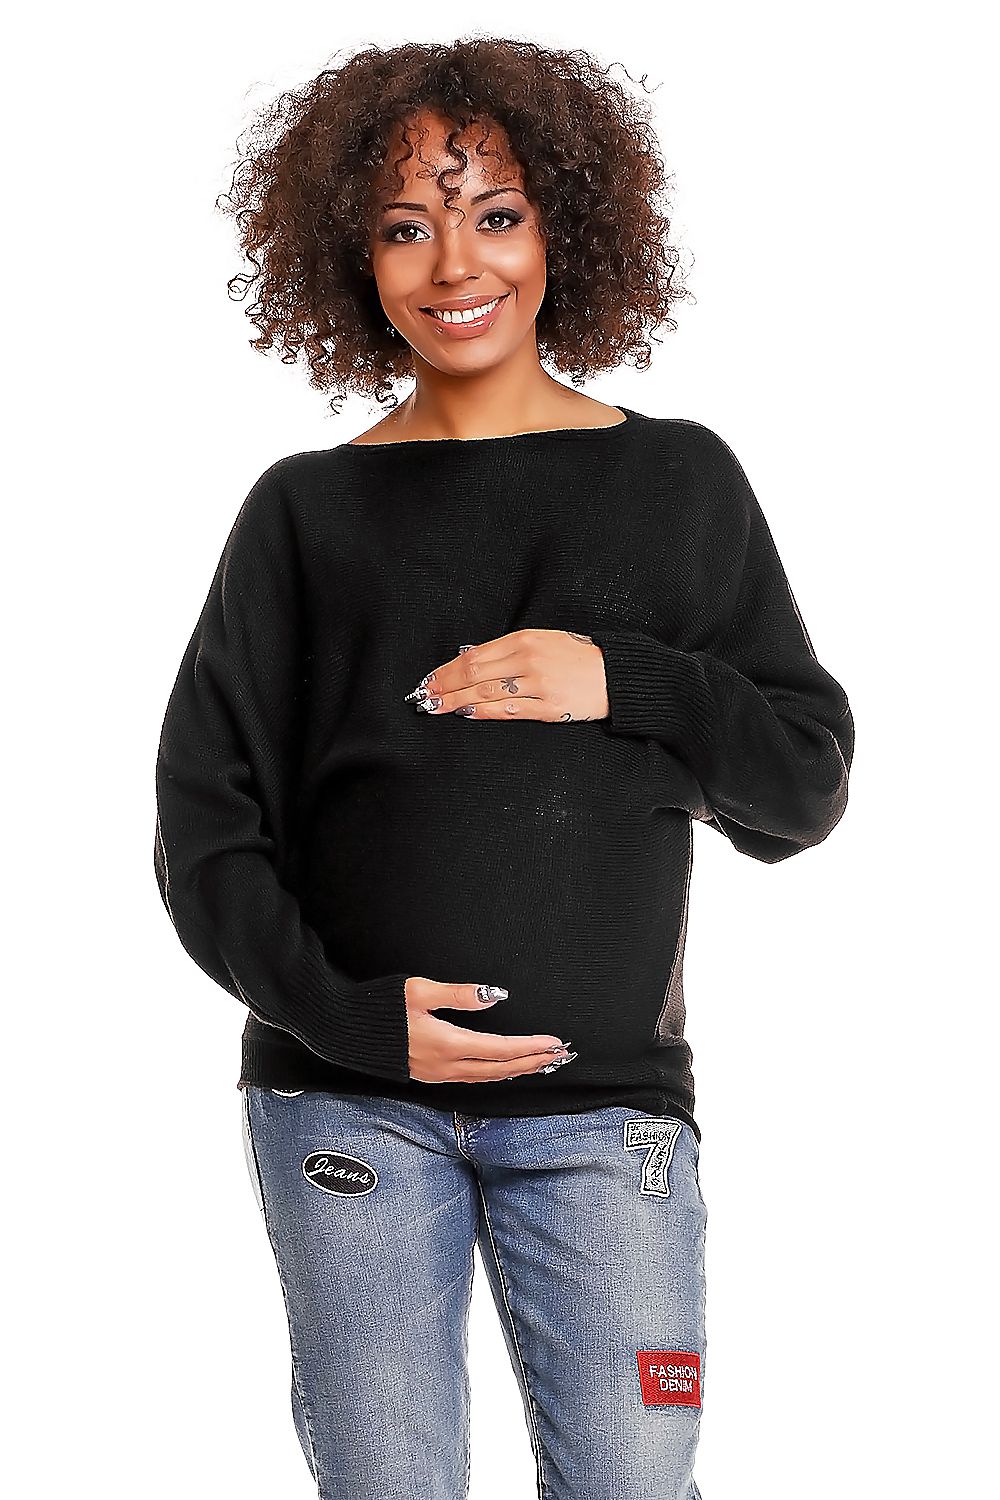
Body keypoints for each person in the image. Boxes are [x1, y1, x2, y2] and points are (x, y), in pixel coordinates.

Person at [153, 37, 854, 1500]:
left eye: (495, 211)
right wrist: (348, 1019)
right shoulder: (304, 513)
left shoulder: (682, 483)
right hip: (343, 1106)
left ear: (564, 232)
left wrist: (631, 680)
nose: (450, 261)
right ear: (351, 256)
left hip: (609, 1118)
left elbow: (802, 786)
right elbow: (203, 829)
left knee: (631, 1482)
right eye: (404, 224)